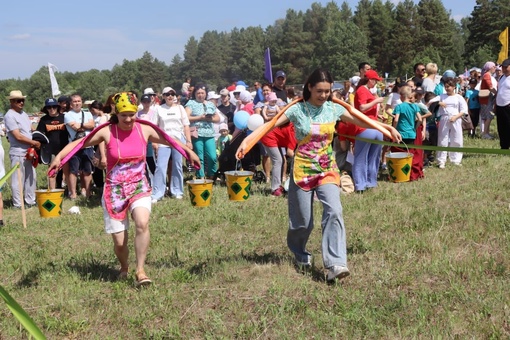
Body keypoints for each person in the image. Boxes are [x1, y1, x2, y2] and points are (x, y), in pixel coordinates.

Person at [237, 68, 401, 282]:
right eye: (320, 91)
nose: (324, 95)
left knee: (334, 210)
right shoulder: (297, 109)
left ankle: (336, 264)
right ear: (309, 88)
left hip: (327, 169)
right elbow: (271, 123)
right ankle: (300, 253)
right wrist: (248, 141)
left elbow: (359, 119)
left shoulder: (333, 108)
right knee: (303, 222)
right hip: (302, 169)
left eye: (327, 91)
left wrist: (385, 128)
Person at [48, 91, 200, 286]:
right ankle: (124, 266)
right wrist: (59, 158)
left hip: (139, 186)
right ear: (116, 114)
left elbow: (170, 139)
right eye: (123, 115)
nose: (128, 119)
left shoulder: (144, 129)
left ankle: (141, 270)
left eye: (131, 114)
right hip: (114, 191)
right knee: (120, 243)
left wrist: (189, 152)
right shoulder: (107, 131)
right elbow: (80, 143)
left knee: (142, 223)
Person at [151, 87, 191, 201]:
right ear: (163, 96)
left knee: (177, 166)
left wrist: (188, 141)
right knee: (160, 167)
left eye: (172, 94)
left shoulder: (180, 108)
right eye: (167, 94)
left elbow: (186, 125)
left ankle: (177, 191)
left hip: (178, 140)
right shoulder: (159, 109)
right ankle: (158, 193)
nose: (170, 96)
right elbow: (154, 127)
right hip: (164, 141)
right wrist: (154, 142)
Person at [4, 90, 40, 208]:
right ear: (11, 102)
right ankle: (18, 203)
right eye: (18, 101)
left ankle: (30, 200)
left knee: (31, 176)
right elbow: (18, 136)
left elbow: (30, 129)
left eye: (22, 100)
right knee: (18, 178)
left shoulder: (23, 114)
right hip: (18, 151)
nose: (21, 103)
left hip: (29, 150)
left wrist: (39, 136)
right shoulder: (9, 116)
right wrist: (33, 142)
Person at [186, 83, 221, 179]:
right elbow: (186, 117)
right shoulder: (191, 103)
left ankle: (212, 174)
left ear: (206, 94)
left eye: (202, 93)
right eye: (198, 93)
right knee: (199, 157)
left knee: (213, 157)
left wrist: (209, 119)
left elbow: (218, 118)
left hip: (209, 134)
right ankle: (200, 176)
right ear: (195, 94)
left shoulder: (210, 104)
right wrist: (200, 117)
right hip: (197, 133)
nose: (200, 95)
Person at [64, 94, 95, 199]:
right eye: (74, 101)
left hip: (87, 146)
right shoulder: (68, 115)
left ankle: (88, 192)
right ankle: (73, 193)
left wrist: (81, 125)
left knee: (87, 170)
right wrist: (85, 125)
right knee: (73, 171)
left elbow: (92, 126)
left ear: (82, 102)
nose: (77, 103)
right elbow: (76, 127)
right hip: (74, 146)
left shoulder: (88, 113)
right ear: (71, 104)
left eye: (79, 101)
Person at [36, 98, 69, 189]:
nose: (52, 109)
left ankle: (68, 190)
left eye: (54, 106)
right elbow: (39, 134)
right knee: (53, 170)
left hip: (64, 148)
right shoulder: (44, 120)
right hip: (51, 150)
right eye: (49, 107)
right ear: (46, 109)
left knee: (66, 170)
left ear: (57, 107)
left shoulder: (64, 117)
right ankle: (53, 191)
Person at [435, 78, 468, 168]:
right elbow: (431, 101)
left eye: (448, 87)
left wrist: (456, 117)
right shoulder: (442, 96)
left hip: (456, 118)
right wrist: (439, 103)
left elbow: (464, 110)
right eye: (445, 87)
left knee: (457, 139)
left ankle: (456, 159)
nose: (447, 88)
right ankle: (441, 160)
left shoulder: (458, 97)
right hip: (444, 117)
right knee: (442, 139)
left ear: (454, 87)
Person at [137, 94, 157, 180]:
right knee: (142, 161)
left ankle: (157, 181)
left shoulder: (154, 113)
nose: (146, 104)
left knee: (151, 160)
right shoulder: (138, 114)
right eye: (144, 102)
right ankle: (146, 180)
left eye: (148, 102)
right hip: (141, 140)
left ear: (151, 102)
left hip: (151, 139)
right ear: (141, 103)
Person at [479, 61, 498, 139]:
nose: (495, 68)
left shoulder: (487, 75)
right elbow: (490, 87)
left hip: (487, 98)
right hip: (486, 99)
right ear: (490, 68)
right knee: (489, 116)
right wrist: (497, 93)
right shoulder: (487, 75)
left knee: (488, 116)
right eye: (494, 67)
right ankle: (485, 133)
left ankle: (486, 132)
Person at [495, 58, 510, 149]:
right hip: (500, 106)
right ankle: (504, 146)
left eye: (506, 67)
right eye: (503, 67)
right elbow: (499, 90)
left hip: (508, 106)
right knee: (501, 127)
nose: (503, 69)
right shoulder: (501, 77)